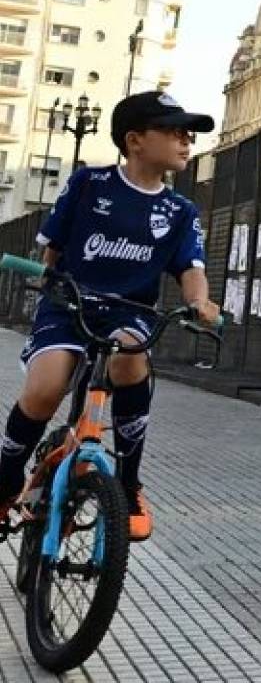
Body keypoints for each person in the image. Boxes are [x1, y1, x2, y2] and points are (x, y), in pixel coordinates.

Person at [0, 92, 219, 542]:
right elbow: (52, 249)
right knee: (45, 390)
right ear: (135, 140)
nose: (186, 141)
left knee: (129, 357)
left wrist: (201, 302)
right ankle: (5, 479)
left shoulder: (181, 211)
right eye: (174, 131)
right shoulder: (88, 183)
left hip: (129, 312)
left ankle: (129, 483)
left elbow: (191, 269)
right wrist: (49, 280)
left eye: (189, 134)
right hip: (69, 304)